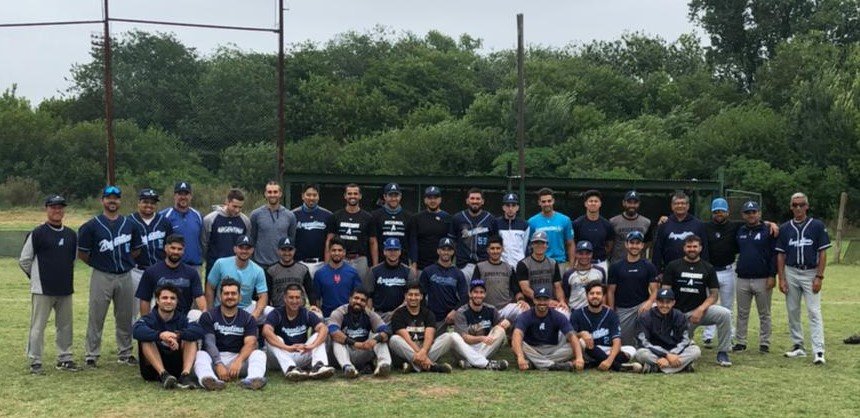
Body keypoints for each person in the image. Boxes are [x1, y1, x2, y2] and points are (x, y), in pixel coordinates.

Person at [78, 185, 143, 367]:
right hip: (102, 275)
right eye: (109, 198)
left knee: (125, 317)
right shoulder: (91, 226)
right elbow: (82, 254)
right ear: (102, 201)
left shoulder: (129, 224)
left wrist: (125, 260)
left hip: (125, 275)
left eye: (115, 198)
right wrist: (96, 264)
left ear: (120, 201)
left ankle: (125, 352)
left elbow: (136, 250)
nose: (112, 201)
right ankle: (91, 354)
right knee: (96, 316)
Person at [19, 194, 79, 374]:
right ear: (47, 209)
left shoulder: (70, 234)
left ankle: (65, 358)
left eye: (60, 207)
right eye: (53, 207)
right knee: (38, 326)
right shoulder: (37, 233)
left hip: (65, 288)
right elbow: (24, 260)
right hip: (42, 289)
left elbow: (72, 260)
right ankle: (35, 360)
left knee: (65, 325)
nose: (57, 210)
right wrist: (36, 277)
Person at [776, 192, 830, 364]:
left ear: (807, 206)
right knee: (792, 310)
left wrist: (819, 276)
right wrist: (781, 278)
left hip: (810, 271)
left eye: (801, 204)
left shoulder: (817, 226)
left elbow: (822, 252)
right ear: (791, 207)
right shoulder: (785, 228)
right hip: (791, 270)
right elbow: (781, 255)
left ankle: (819, 350)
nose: (798, 208)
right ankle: (798, 346)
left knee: (814, 311)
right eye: (795, 205)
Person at [661, 235, 732, 367]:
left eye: (695, 246)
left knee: (725, 314)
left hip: (700, 312)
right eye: (689, 246)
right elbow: (665, 291)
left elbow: (714, 295)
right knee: (677, 345)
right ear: (684, 248)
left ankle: (723, 352)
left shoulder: (708, 268)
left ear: (700, 248)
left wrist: (700, 309)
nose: (692, 249)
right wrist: (673, 314)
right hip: (678, 313)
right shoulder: (673, 266)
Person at [194, 279, 268, 390]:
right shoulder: (208, 316)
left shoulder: (248, 318)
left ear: (240, 297)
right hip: (215, 358)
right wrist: (218, 363)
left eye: (233, 293)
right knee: (200, 354)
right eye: (226, 293)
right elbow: (209, 343)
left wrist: (239, 360)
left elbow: (251, 343)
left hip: (238, 359)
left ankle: (253, 379)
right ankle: (209, 380)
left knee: (259, 354)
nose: (230, 296)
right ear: (220, 296)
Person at [132, 284, 204, 389]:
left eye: (172, 298)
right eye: (165, 298)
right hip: (152, 371)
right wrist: (160, 335)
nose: (169, 301)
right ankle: (164, 375)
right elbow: (136, 331)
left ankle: (185, 375)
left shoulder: (182, 319)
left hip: (177, 368)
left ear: (177, 301)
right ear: (157, 300)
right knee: (145, 339)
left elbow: (199, 330)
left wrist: (178, 335)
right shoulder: (149, 318)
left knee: (191, 337)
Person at [262, 284, 335, 381]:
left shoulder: (306, 313)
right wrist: (287, 347)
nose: (294, 301)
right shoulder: (277, 313)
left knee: (319, 335)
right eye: (291, 297)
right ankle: (290, 369)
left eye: (297, 298)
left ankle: (318, 367)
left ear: (301, 299)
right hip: (281, 357)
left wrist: (312, 346)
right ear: (285, 298)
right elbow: (266, 331)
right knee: (272, 338)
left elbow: (323, 329)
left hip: (300, 353)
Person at [733, 201, 776, 353]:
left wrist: (772, 275)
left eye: (754, 212)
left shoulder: (768, 230)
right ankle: (741, 341)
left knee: (764, 313)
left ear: (759, 213)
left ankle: (765, 342)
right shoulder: (740, 230)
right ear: (743, 215)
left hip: (762, 278)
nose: (751, 215)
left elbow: (773, 255)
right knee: (742, 312)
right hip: (743, 277)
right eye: (748, 212)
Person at [569, 282, 641, 372]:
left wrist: (609, 360)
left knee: (631, 349)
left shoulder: (611, 314)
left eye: (598, 293)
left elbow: (617, 341)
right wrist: (581, 334)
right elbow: (569, 337)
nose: (595, 296)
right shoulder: (577, 313)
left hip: (607, 349)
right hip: (587, 350)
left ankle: (595, 363)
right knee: (581, 342)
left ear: (603, 296)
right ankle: (619, 367)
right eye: (592, 293)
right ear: (587, 295)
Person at [511, 286, 584, 371]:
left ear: (549, 301)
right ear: (534, 300)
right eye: (539, 299)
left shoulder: (558, 316)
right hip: (533, 349)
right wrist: (520, 357)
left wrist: (579, 358)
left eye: (545, 299)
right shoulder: (525, 316)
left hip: (553, 349)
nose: (542, 302)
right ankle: (553, 366)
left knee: (581, 344)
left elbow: (571, 336)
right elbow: (517, 334)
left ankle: (536, 364)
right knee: (515, 344)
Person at [388, 283, 454, 373]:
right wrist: (422, 354)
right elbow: (407, 339)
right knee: (394, 339)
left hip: (425, 349)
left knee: (448, 337)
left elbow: (429, 337)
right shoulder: (398, 314)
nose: (413, 298)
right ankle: (431, 366)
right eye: (410, 295)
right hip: (408, 349)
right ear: (405, 296)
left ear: (421, 297)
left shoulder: (428, 313)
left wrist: (423, 352)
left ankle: (414, 366)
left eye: (416, 295)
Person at [136, 234, 206, 319]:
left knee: (197, 314)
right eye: (173, 248)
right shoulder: (151, 272)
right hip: (159, 319)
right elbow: (145, 299)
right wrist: (145, 321)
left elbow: (199, 297)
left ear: (183, 251)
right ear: (165, 248)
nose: (176, 252)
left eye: (179, 249)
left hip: (183, 319)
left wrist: (204, 316)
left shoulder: (191, 273)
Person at [129, 188, 173, 323]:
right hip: (136, 270)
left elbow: (170, 246)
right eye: (145, 202)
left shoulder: (164, 222)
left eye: (152, 203)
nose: (149, 205)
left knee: (158, 307)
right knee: (132, 309)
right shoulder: (129, 221)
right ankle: (129, 343)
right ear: (139, 203)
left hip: (159, 270)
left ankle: (156, 340)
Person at [607, 231, 658, 346]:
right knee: (623, 344)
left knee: (655, 308)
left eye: (637, 243)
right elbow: (610, 291)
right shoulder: (616, 266)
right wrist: (611, 311)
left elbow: (655, 291)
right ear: (626, 244)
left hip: (641, 307)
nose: (634, 246)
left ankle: (651, 344)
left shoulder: (648, 266)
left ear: (642, 245)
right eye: (632, 243)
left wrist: (649, 302)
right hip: (623, 309)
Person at [206, 235, 271, 325]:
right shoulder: (221, 263)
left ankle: (262, 336)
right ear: (235, 249)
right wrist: (210, 310)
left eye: (247, 248)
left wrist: (254, 316)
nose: (244, 251)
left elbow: (263, 296)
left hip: (245, 309)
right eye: (241, 247)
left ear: (252, 250)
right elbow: (210, 287)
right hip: (222, 307)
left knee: (272, 312)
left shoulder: (258, 270)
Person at [328, 288, 393, 378]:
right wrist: (355, 343)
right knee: (337, 341)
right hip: (344, 352)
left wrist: (375, 340)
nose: (358, 301)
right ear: (350, 298)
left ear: (366, 303)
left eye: (362, 300)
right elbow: (333, 332)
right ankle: (348, 368)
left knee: (380, 337)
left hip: (363, 349)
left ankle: (383, 365)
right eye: (356, 298)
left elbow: (387, 330)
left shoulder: (370, 314)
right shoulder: (339, 312)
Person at [634, 289, 701, 373]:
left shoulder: (679, 316)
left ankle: (656, 367)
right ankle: (682, 366)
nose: (664, 305)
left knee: (695, 350)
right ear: (656, 302)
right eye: (661, 302)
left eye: (668, 302)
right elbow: (644, 342)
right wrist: (665, 355)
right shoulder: (645, 317)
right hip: (654, 352)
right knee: (641, 353)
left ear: (673, 303)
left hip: (675, 351)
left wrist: (673, 354)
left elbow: (685, 339)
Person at [452, 279, 510, 370]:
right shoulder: (461, 312)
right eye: (475, 292)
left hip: (484, 347)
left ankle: (471, 362)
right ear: (470, 294)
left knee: (500, 330)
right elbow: (465, 338)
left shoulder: (491, 309)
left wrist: (506, 323)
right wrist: (481, 338)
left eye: (481, 292)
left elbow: (502, 324)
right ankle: (485, 363)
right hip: (466, 347)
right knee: (453, 336)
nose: (478, 295)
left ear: (485, 294)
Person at [325, 183, 377, 281]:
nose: (352, 196)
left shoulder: (368, 217)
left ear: (360, 196)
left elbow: (373, 242)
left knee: (361, 290)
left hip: (360, 259)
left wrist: (374, 266)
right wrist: (327, 264)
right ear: (345, 196)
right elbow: (329, 240)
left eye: (355, 193)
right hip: (341, 259)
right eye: (349, 193)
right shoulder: (335, 216)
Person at [473, 235, 528, 322]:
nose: (495, 251)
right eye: (492, 248)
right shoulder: (480, 267)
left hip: (505, 308)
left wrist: (521, 300)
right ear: (488, 250)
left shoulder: (509, 268)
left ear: (502, 249)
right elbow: (474, 289)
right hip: (485, 308)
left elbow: (517, 290)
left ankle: (515, 332)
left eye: (498, 248)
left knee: (525, 309)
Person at [651, 192, 708, 275]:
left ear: (688, 206)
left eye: (683, 203)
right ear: (672, 206)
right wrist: (657, 272)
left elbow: (705, 249)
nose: (680, 206)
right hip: (669, 271)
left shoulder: (698, 225)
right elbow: (657, 250)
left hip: (694, 271)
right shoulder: (664, 224)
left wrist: (704, 270)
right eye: (677, 203)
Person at [419, 237, 468, 329]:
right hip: (433, 318)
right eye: (443, 249)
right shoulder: (428, 271)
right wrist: (426, 314)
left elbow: (465, 297)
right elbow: (420, 295)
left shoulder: (458, 273)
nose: (446, 252)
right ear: (438, 251)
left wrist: (454, 311)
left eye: (449, 250)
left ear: (453, 252)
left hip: (451, 318)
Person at [450, 187, 498, 280]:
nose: (475, 201)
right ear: (467, 201)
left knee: (483, 293)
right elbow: (452, 243)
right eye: (472, 198)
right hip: (462, 265)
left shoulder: (491, 219)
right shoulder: (457, 218)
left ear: (482, 201)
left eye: (478, 199)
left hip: (485, 264)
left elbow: (495, 243)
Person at [203, 188, 251, 279]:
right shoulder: (210, 219)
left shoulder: (245, 221)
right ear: (227, 202)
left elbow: (246, 244)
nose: (237, 210)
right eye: (234, 206)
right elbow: (204, 243)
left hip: (236, 267)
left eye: (240, 207)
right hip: (214, 266)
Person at [250, 181, 297, 269]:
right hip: (260, 264)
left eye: (275, 192)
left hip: (281, 264)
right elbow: (252, 238)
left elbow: (292, 239)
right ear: (265, 194)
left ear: (280, 194)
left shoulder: (290, 216)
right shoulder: (256, 214)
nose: (272, 195)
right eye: (269, 192)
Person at [366, 238, 413, 322]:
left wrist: (395, 313)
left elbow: (410, 297)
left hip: (401, 313)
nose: (393, 253)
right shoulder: (374, 271)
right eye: (390, 250)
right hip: (379, 315)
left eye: (395, 250)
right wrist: (371, 316)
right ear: (384, 252)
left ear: (400, 252)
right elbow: (369, 296)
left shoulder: (408, 271)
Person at [313, 237, 362, 318]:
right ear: (329, 252)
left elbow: (358, 296)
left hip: (347, 317)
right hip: (327, 316)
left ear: (344, 252)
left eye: (340, 250)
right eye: (334, 250)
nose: (336, 253)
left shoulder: (353, 273)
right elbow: (317, 298)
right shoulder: (319, 274)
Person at [527, 188, 574, 271]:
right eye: (543, 201)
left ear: (553, 201)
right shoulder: (531, 222)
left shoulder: (565, 220)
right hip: (539, 264)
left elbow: (570, 244)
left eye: (549, 201)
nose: (547, 204)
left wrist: (571, 265)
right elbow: (529, 245)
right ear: (539, 202)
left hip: (560, 264)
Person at [516, 231, 565, 311]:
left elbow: (558, 287)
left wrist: (561, 301)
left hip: (551, 302)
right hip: (531, 304)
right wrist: (542, 301)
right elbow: (525, 289)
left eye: (542, 243)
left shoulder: (553, 263)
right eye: (536, 243)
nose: (539, 246)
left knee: (564, 312)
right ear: (532, 245)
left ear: (547, 245)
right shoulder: (523, 264)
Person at [408, 186, 452, 273]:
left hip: (442, 266)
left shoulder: (447, 218)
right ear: (425, 200)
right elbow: (413, 242)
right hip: (421, 267)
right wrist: (414, 264)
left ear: (440, 199)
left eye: (435, 198)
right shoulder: (416, 218)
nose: (432, 201)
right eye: (429, 198)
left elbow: (451, 243)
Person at [160, 181, 204, 268]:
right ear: (174, 196)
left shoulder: (198, 215)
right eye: (180, 194)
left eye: (186, 194)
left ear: (190, 196)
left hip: (194, 266)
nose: (183, 197)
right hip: (172, 266)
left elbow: (203, 241)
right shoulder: (164, 216)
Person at [292, 183, 332, 278]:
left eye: (314, 195)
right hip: (299, 263)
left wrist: (327, 263)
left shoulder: (328, 215)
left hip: (321, 263)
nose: (311, 198)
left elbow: (330, 241)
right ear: (302, 196)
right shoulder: (293, 215)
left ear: (318, 196)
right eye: (308, 195)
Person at [265, 237, 315, 309]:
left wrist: (313, 305)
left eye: (290, 250)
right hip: (278, 309)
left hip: (299, 309)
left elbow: (310, 291)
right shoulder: (271, 270)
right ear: (278, 251)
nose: (287, 253)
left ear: (294, 250)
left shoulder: (303, 269)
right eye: (283, 250)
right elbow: (267, 294)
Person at [572, 189, 615, 271]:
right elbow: (573, 243)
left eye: (596, 201)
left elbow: (609, 245)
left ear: (600, 204)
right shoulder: (577, 223)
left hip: (600, 263)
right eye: (590, 201)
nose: (593, 203)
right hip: (581, 263)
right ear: (585, 204)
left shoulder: (607, 224)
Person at [371, 183, 412, 265]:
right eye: (390, 195)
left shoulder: (409, 216)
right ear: (385, 197)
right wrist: (375, 264)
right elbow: (373, 241)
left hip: (402, 261)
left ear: (400, 197)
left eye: (396, 195)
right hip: (381, 261)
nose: (393, 199)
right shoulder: (375, 215)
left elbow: (411, 241)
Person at [561, 240, 607, 311]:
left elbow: (603, 293)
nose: (584, 256)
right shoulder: (569, 274)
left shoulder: (600, 271)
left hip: (594, 310)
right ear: (576, 254)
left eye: (587, 253)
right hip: (574, 310)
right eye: (581, 253)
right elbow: (566, 296)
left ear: (592, 254)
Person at [609, 190, 652, 264]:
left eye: (635, 203)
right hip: (618, 264)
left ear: (639, 204)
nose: (632, 205)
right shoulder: (613, 222)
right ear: (623, 203)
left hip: (639, 264)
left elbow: (648, 243)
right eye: (629, 202)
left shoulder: (646, 222)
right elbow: (609, 244)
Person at [495, 193, 529, 269]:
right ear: (503, 207)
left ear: (517, 207)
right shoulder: (496, 223)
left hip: (519, 266)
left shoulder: (524, 225)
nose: (510, 208)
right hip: (501, 266)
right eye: (507, 205)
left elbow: (525, 247)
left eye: (513, 205)